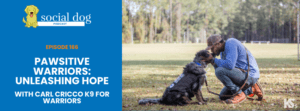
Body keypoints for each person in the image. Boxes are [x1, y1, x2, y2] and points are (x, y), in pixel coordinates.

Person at [201, 34, 263, 104]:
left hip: (250, 74)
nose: (212, 51)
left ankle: (240, 94)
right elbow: (223, 69)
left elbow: (230, 65)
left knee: (219, 71)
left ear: (218, 44)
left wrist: (213, 60)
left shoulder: (231, 43)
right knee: (223, 96)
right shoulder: (222, 52)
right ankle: (251, 89)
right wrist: (213, 62)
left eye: (212, 48)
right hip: (241, 73)